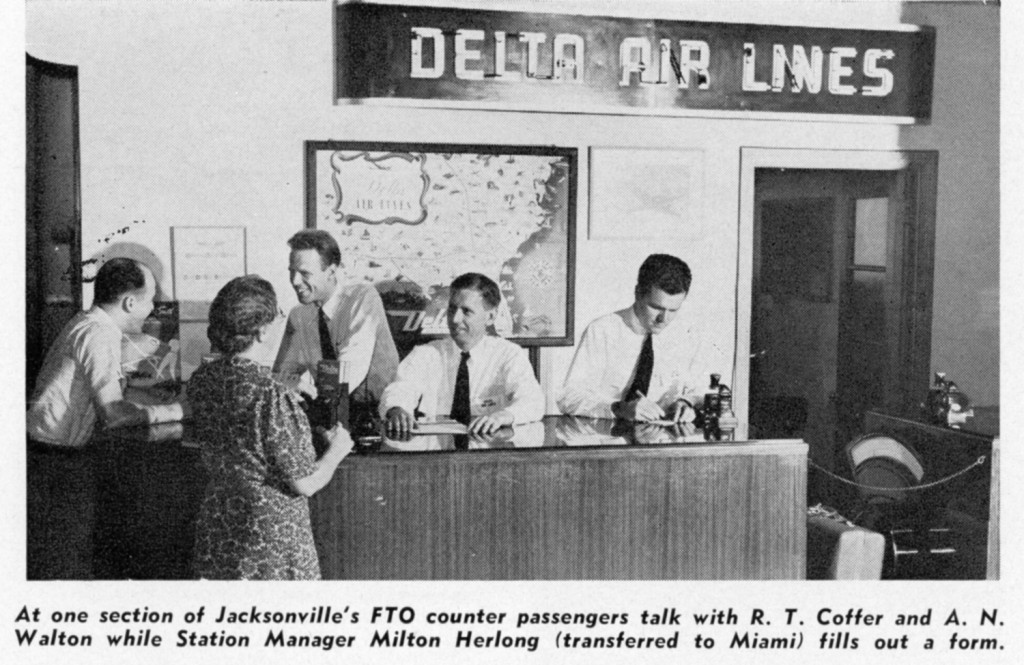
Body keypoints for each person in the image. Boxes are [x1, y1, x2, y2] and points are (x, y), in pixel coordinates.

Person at [26, 257, 185, 579]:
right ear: (129, 302)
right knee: (67, 563)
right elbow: (112, 414)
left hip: (53, 458)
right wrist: (178, 409)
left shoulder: (91, 324)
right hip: (56, 463)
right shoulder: (99, 334)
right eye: (151, 299)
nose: (153, 308)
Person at [188, 275, 353, 580]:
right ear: (262, 330)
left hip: (219, 524)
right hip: (270, 537)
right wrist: (338, 449)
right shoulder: (270, 395)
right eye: (278, 316)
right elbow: (305, 483)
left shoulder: (202, 380)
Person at [558, 253, 722, 422]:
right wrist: (618, 408)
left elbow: (707, 389)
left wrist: (687, 402)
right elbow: (569, 398)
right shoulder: (602, 330)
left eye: (673, 310)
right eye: (655, 307)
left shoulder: (690, 336)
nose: (663, 319)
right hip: (610, 439)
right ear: (637, 293)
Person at [380, 272, 544, 437]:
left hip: (489, 449)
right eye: (452, 309)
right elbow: (399, 390)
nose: (455, 319)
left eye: (466, 311)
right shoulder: (426, 354)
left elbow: (533, 401)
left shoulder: (508, 354)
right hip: (439, 452)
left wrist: (501, 417)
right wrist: (396, 409)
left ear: (490, 317)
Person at [273, 230, 399, 419]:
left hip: (375, 416)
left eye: (304, 273)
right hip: (328, 414)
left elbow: (347, 374)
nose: (294, 281)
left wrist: (304, 388)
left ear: (331, 271)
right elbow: (280, 375)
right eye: (292, 272)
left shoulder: (362, 298)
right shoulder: (299, 315)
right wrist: (292, 383)